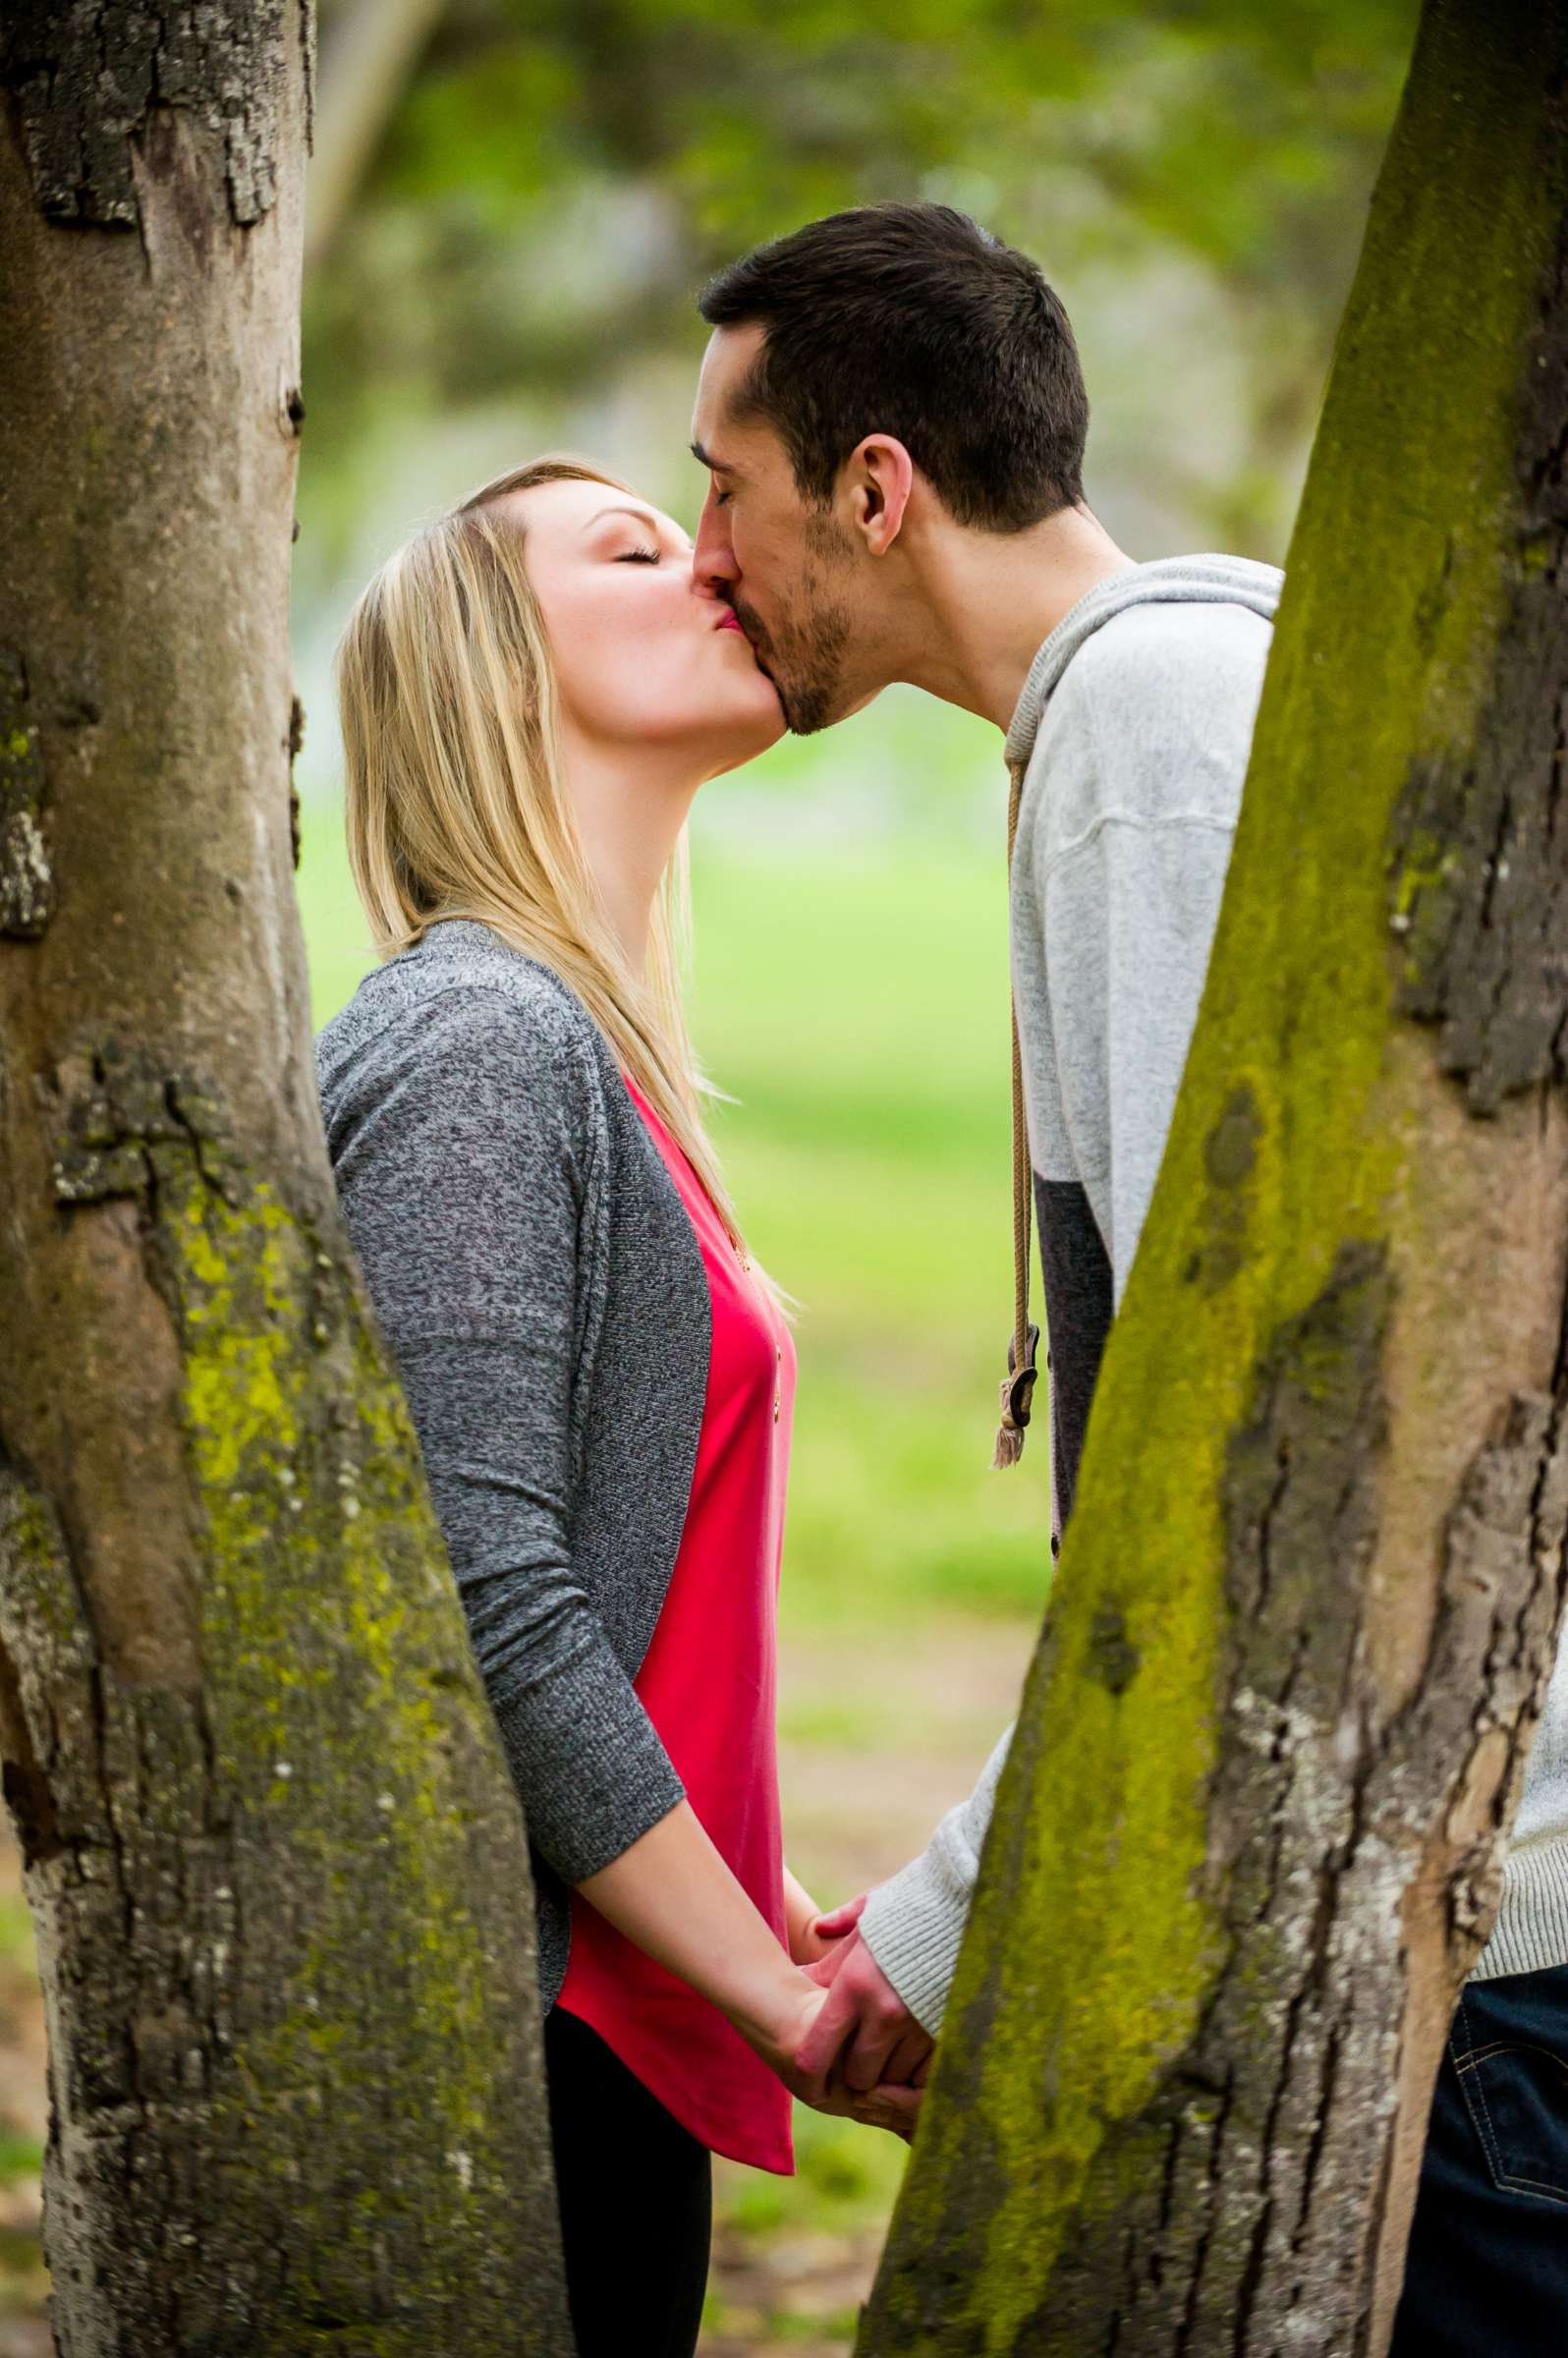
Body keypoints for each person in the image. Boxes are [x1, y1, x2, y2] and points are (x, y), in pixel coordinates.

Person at [687, 201, 1568, 2349]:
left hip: (1492, 1947)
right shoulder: (1175, 697)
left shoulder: (1148, 739)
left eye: (723, 486)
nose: (707, 553)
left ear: (874, 486)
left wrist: (937, 1915)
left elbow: (1247, 1434)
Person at [316, 459, 919, 2358]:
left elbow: (627, 1600)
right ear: (499, 674)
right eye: (636, 551)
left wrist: (796, 1918)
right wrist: (776, 1994)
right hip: (522, 2046)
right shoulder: (483, 1043)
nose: (713, 559)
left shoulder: (571, 1045)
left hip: (615, 2020)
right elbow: (486, 1595)